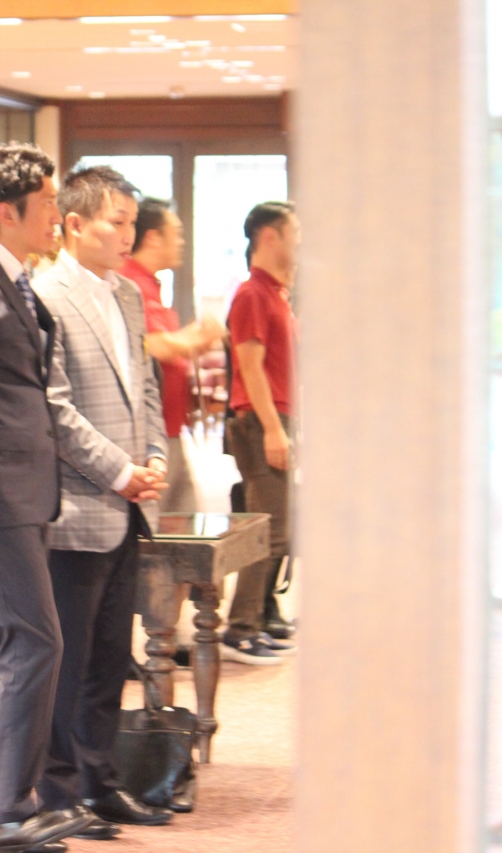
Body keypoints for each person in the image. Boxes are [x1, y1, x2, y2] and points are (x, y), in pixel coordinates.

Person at [0, 144, 93, 852]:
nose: (57, 216)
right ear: (6, 213)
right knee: (37, 641)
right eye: (48, 204)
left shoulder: (16, 281)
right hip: (0, 491)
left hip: (26, 487)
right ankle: (9, 806)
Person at [33, 165, 172, 827]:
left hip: (130, 504)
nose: (128, 235)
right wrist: (120, 470)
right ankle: (59, 792)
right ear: (74, 223)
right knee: (70, 659)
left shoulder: (130, 295)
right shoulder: (46, 295)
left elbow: (145, 388)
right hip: (78, 506)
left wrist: (156, 457)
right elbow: (53, 408)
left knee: (112, 656)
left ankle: (100, 780)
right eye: (116, 222)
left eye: (132, 222)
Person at [222, 201, 301, 662]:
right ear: (270, 237)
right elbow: (249, 369)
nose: (300, 243)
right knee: (265, 529)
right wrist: (273, 429)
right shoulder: (252, 294)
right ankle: (241, 627)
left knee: (278, 527)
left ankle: (257, 618)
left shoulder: (275, 294)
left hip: (275, 417)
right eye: (295, 234)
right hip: (259, 420)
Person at [120, 197, 225, 513]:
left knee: (183, 520)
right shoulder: (129, 284)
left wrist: (193, 341)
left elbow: (169, 348)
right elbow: (152, 345)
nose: (181, 242)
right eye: (176, 234)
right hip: (150, 434)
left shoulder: (150, 284)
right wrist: (193, 338)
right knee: (164, 524)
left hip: (171, 427)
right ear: (153, 237)